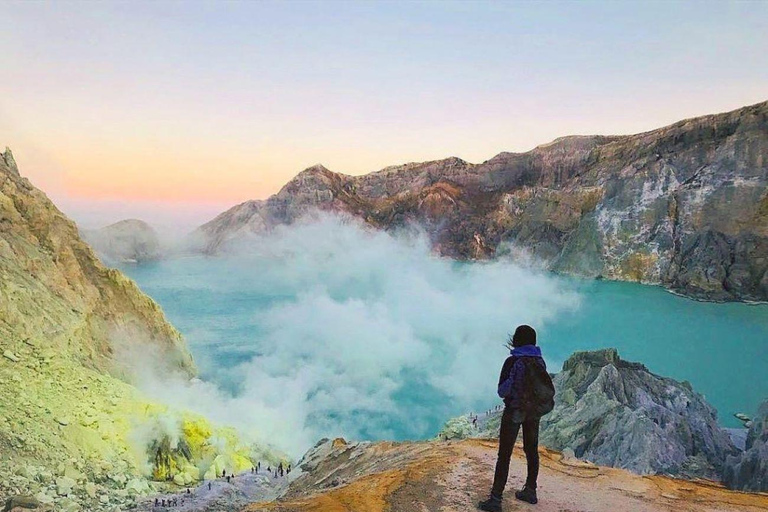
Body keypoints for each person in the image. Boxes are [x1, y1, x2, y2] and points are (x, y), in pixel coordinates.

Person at [478, 325, 554, 511]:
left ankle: (496, 499)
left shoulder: (512, 362)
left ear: (517, 340)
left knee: (504, 454)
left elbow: (502, 390)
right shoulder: (540, 362)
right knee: (531, 450)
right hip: (533, 413)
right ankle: (530, 490)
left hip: (514, 411)